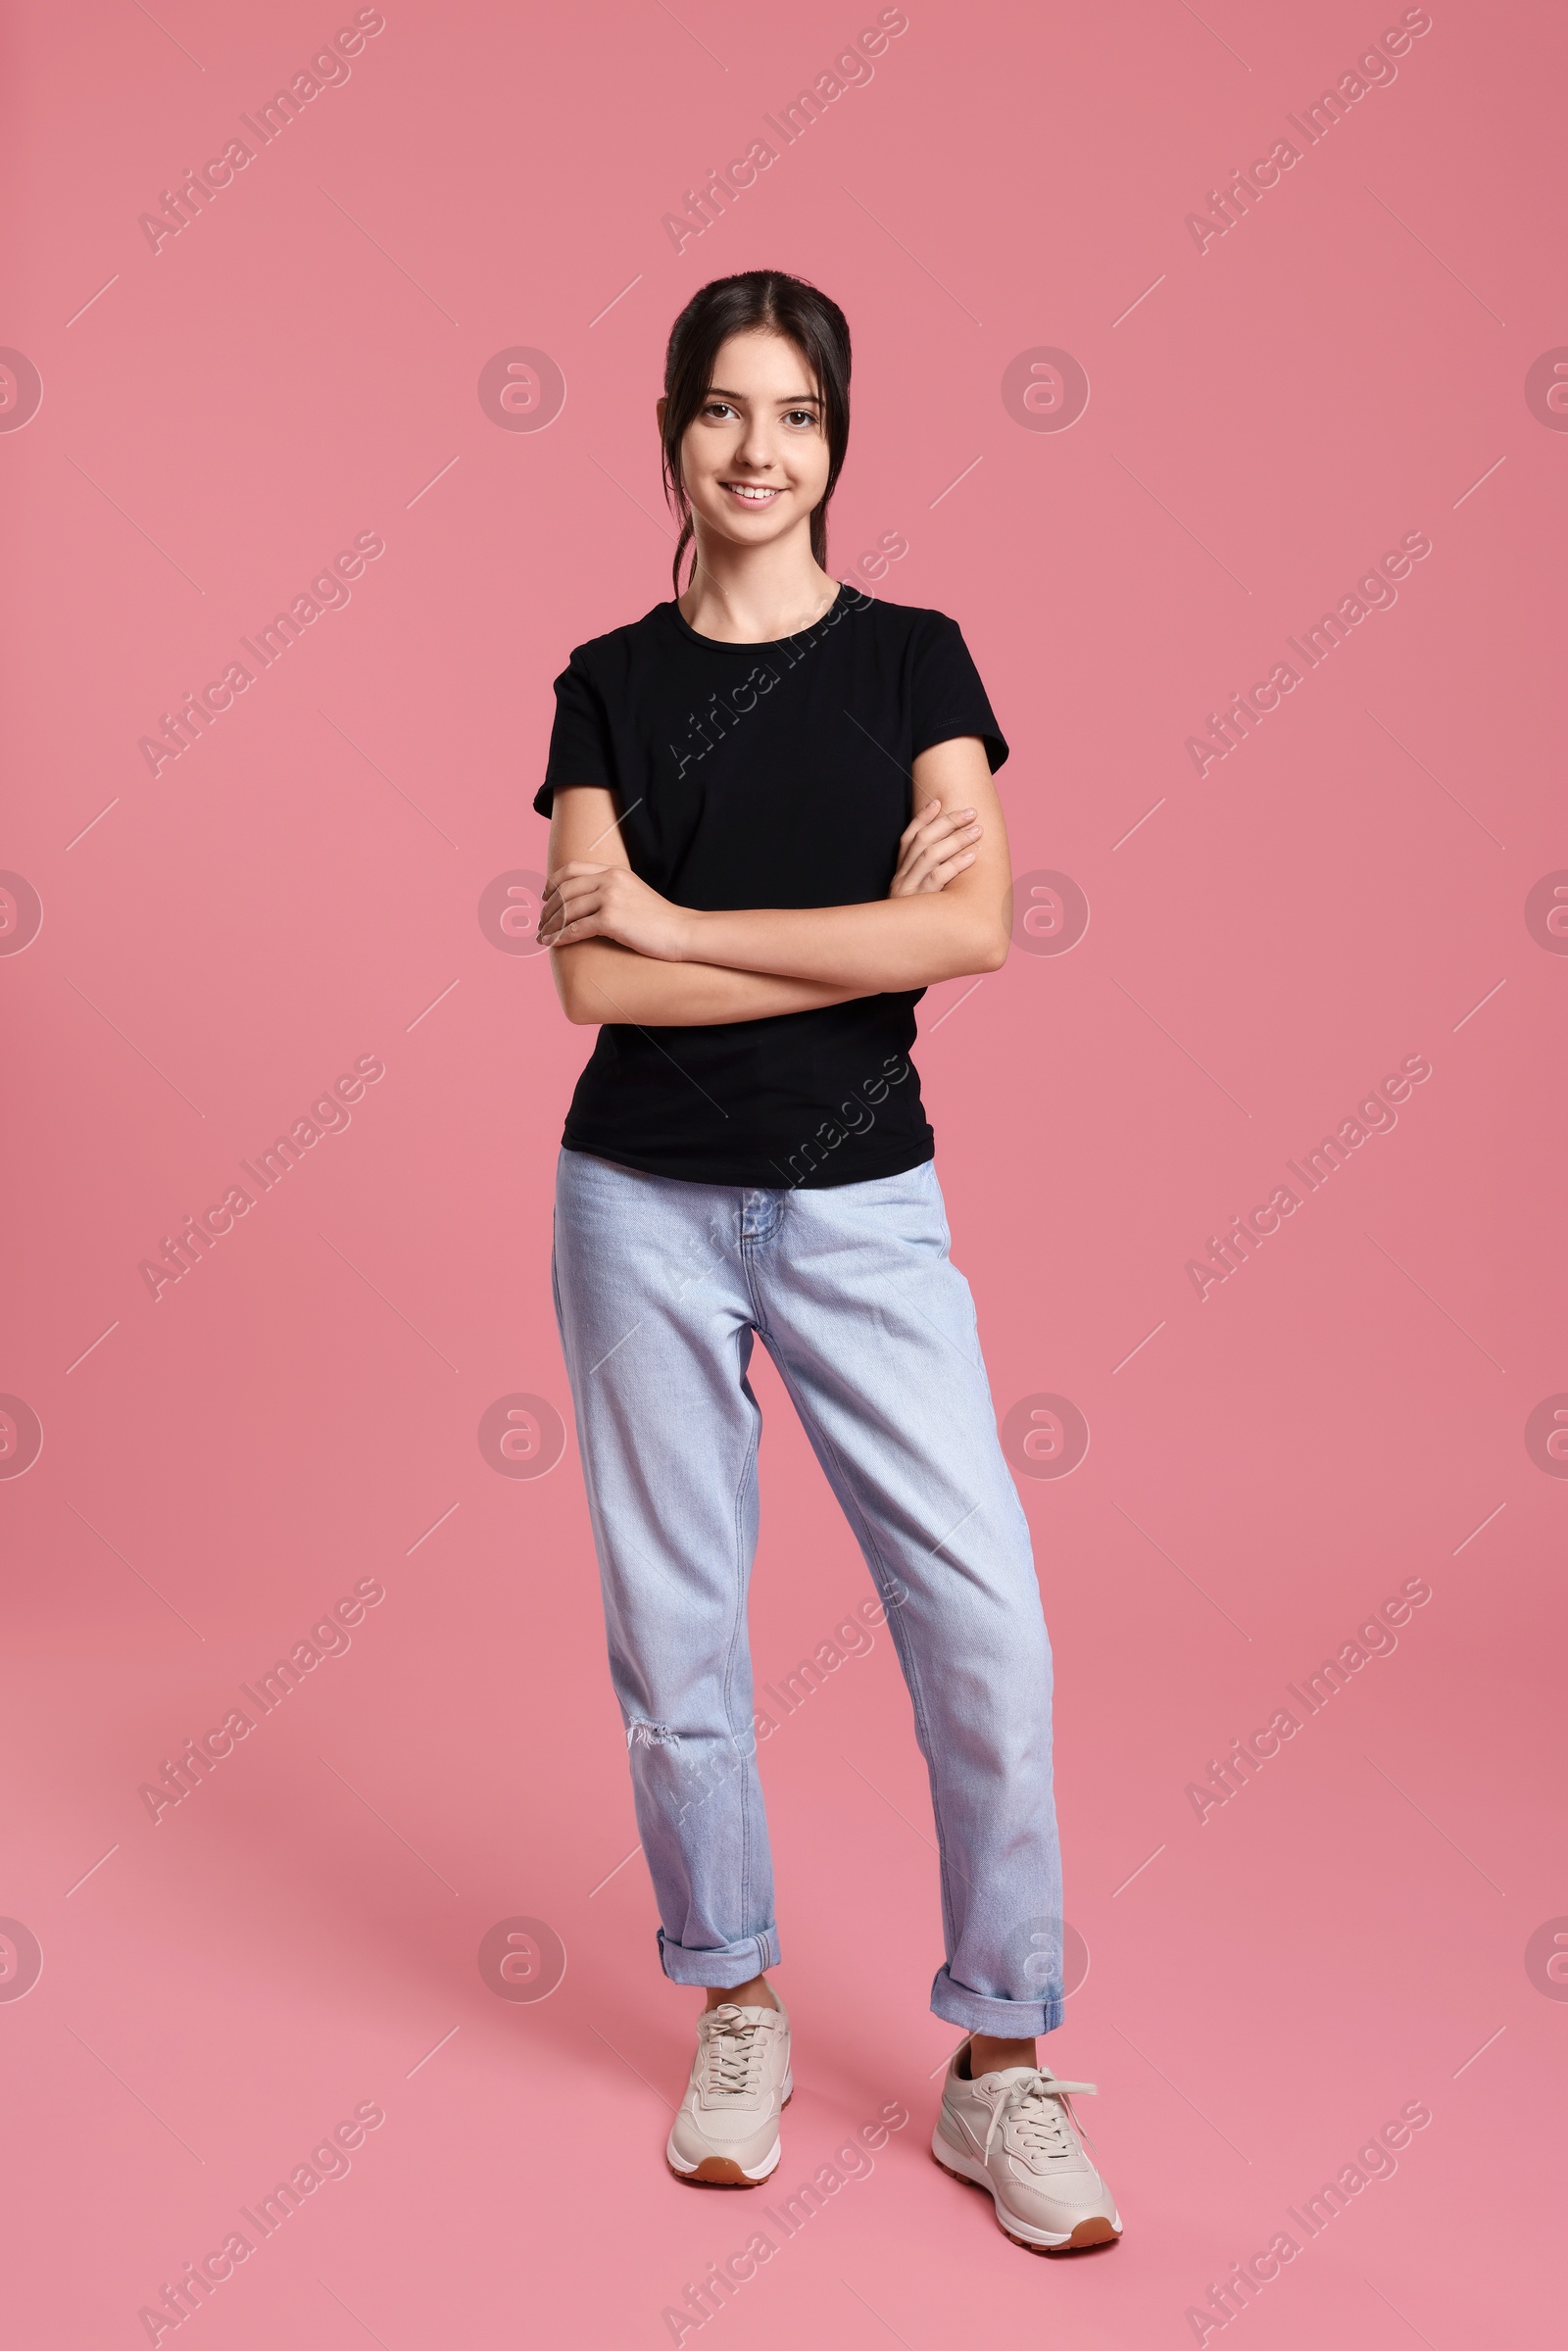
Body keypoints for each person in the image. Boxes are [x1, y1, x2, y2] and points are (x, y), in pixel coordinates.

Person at [534, 269, 1120, 2255]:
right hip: (637, 1197)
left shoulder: (914, 665)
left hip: (863, 1198)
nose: (753, 450)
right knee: (674, 1638)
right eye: (718, 409)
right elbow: (577, 976)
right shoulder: (603, 681)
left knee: (982, 1625)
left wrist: (686, 929)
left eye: (790, 414)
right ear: (672, 434)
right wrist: (766, 931)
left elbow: (964, 938)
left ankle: (998, 2065)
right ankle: (737, 2001)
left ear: (836, 441)